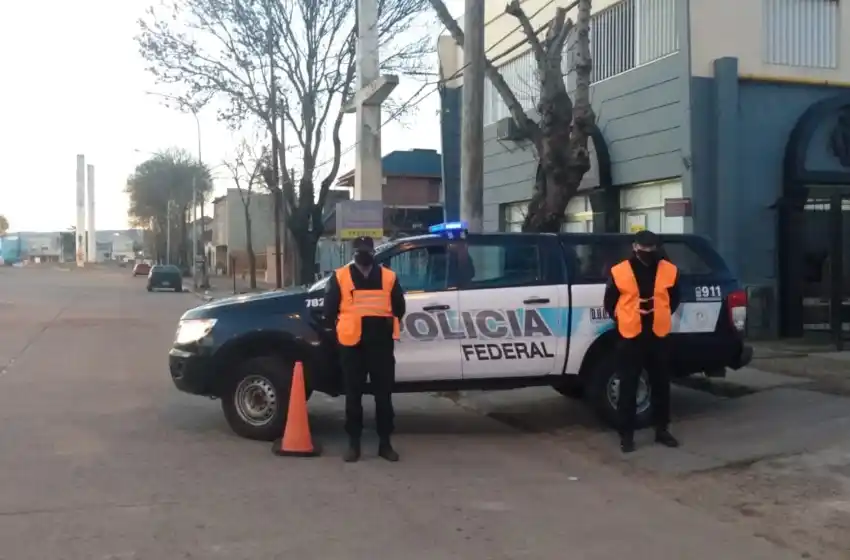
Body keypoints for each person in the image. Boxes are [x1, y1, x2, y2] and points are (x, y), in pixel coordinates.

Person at [323, 236, 406, 463]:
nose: (364, 255)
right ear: (354, 253)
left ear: (373, 252)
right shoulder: (340, 276)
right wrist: (340, 333)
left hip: (380, 345)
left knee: (384, 397)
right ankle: (354, 445)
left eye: (367, 251)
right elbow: (329, 311)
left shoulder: (389, 277)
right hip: (352, 346)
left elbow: (399, 307)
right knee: (353, 396)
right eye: (360, 251)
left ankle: (385, 444)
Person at [603, 230, 681, 453]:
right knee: (628, 385)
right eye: (643, 248)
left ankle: (662, 430)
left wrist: (661, 314)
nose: (647, 252)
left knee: (661, 384)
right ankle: (626, 435)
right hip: (631, 336)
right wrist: (624, 319)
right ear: (635, 247)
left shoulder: (669, 270)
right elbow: (610, 303)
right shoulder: (619, 271)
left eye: (651, 248)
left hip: (658, 334)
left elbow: (675, 298)